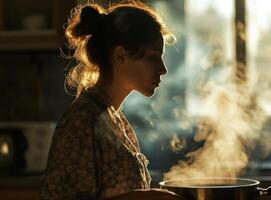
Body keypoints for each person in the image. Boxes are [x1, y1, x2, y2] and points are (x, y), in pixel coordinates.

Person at [40, 1, 182, 199]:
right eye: (153, 56)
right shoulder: (81, 120)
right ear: (120, 55)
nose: (163, 69)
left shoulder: (112, 118)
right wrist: (148, 197)